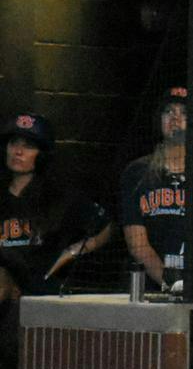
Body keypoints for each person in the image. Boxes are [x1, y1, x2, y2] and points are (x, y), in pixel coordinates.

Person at [0, 111, 114, 299]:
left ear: (42, 154)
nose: (18, 152)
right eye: (14, 144)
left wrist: (74, 251)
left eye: (28, 146)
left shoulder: (60, 197)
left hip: (43, 296)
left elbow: (106, 225)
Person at [119, 87, 189, 292]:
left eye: (184, 113)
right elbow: (137, 243)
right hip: (148, 286)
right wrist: (168, 282)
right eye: (168, 111)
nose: (175, 118)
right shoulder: (137, 172)